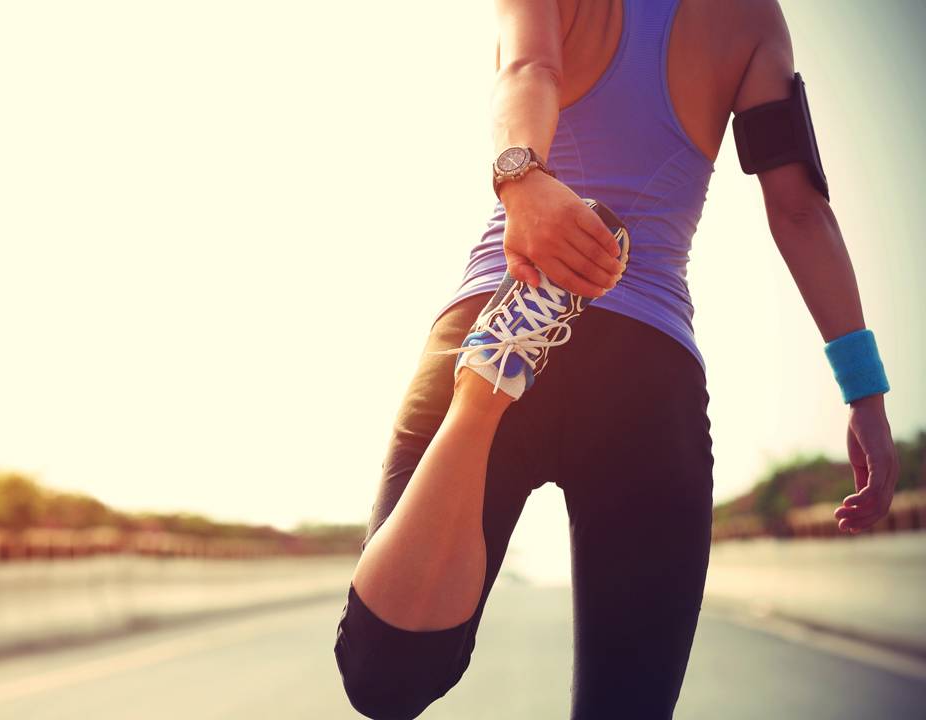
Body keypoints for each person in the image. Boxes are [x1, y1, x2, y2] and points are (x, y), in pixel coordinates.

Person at [331, 0, 899, 718]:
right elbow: (799, 210)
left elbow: (528, 67)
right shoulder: (753, 19)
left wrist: (523, 180)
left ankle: (483, 390)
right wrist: (863, 392)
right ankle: (485, 385)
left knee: (383, 679)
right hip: (647, 373)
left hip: (512, 299)